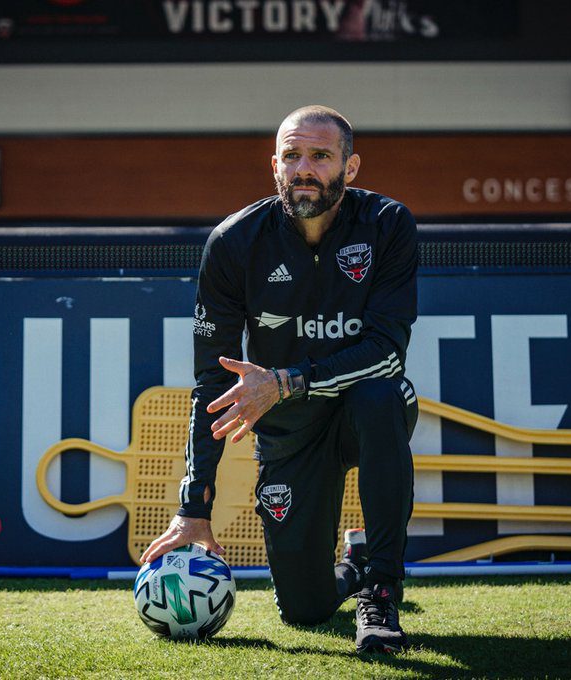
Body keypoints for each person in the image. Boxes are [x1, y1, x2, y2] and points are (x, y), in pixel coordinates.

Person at [141, 105, 419, 654]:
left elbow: (386, 353)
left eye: (319, 155)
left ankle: (381, 591)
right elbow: (210, 383)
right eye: (292, 156)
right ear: (274, 165)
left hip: (360, 410)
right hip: (289, 437)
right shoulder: (233, 243)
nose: (304, 169)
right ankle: (355, 567)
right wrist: (194, 507)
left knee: (381, 395)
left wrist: (285, 382)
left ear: (351, 166)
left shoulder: (388, 224)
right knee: (304, 610)